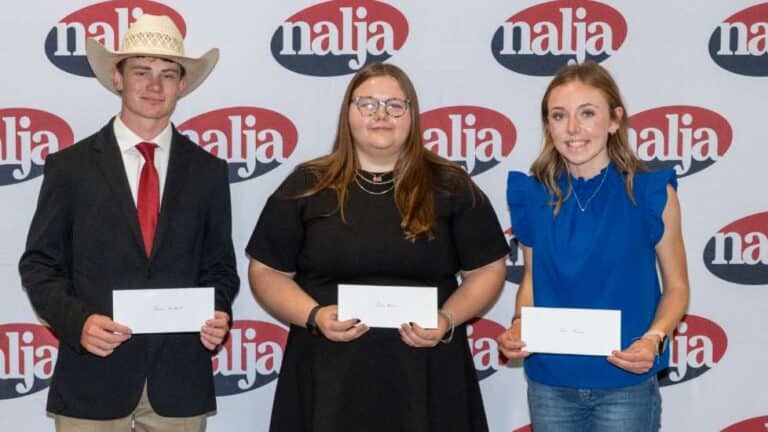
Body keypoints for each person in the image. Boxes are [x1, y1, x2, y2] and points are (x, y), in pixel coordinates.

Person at [247, 62, 509, 432]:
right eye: (367, 104)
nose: (381, 115)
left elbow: (488, 268)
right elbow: (267, 271)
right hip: (328, 376)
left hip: (427, 375)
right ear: (348, 113)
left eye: (394, 105)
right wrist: (314, 315)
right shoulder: (308, 184)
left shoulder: (450, 185)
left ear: (412, 114)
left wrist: (447, 318)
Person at [18, 14, 238, 432]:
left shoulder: (209, 171)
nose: (154, 86)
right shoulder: (70, 168)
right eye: (141, 71)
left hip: (180, 380)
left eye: (167, 74)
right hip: (91, 378)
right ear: (117, 78)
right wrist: (78, 322)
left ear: (182, 85)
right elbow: (39, 266)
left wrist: (218, 311)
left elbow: (220, 268)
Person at [497, 61, 689, 432]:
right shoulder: (534, 194)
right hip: (550, 382)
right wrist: (520, 323)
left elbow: (677, 288)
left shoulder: (651, 193)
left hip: (626, 383)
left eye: (587, 113)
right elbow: (534, 281)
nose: (572, 129)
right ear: (548, 125)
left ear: (615, 120)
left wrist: (653, 339)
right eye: (559, 116)